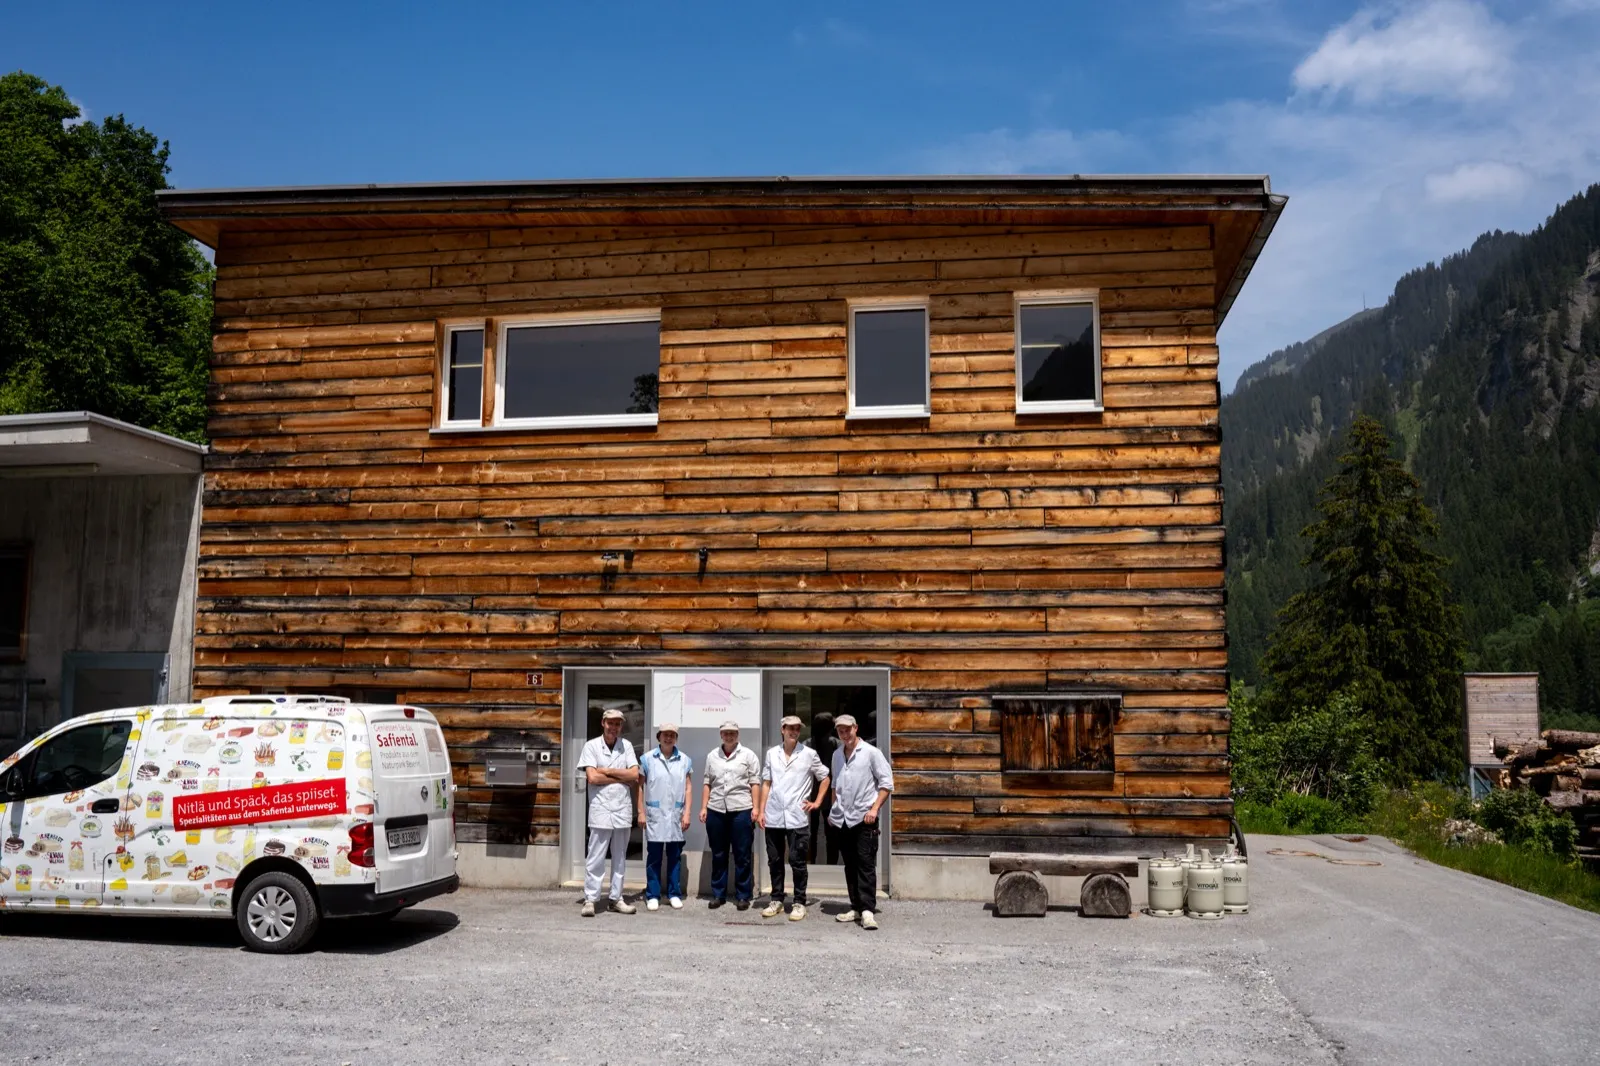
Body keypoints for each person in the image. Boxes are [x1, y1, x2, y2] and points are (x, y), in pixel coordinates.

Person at [757, 714, 829, 921]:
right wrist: (761, 811)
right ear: (782, 729)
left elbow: (824, 778)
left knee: (798, 861)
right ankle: (777, 899)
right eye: (790, 728)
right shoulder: (771, 754)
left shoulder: (809, 754)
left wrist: (817, 802)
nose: (794, 731)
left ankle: (799, 902)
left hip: (797, 816)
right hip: (774, 815)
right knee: (775, 860)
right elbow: (766, 783)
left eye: (797, 728)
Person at [828, 713, 893, 931]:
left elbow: (886, 784)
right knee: (850, 865)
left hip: (864, 818)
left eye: (848, 729)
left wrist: (874, 809)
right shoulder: (837, 755)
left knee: (865, 865)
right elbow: (835, 785)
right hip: (843, 819)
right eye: (840, 730)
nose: (844, 734)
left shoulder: (872, 753)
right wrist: (833, 811)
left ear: (856, 728)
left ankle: (867, 911)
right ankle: (855, 906)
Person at [575, 708, 640, 917]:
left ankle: (616, 898)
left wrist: (609, 771)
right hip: (601, 808)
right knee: (596, 855)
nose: (614, 727)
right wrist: (622, 778)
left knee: (620, 856)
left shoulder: (626, 745)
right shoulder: (591, 746)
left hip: (621, 808)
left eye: (618, 724)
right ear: (603, 723)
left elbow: (634, 774)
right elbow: (592, 778)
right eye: (610, 723)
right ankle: (591, 899)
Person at [699, 719, 760, 910]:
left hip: (741, 809)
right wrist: (703, 807)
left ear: (738, 734)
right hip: (716, 809)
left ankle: (743, 895)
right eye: (725, 733)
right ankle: (718, 894)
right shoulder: (712, 756)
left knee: (742, 854)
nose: (729, 735)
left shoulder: (748, 755)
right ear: (721, 735)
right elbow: (707, 782)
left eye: (732, 733)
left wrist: (756, 808)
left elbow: (755, 783)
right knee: (718, 853)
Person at [636, 721, 693, 912]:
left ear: (676, 738)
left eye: (672, 735)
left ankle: (674, 893)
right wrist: (641, 811)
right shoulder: (647, 759)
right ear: (658, 737)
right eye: (665, 734)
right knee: (654, 856)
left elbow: (688, 788)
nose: (668, 738)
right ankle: (652, 894)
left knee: (674, 856)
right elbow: (640, 787)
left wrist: (687, 813)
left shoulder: (685, 760)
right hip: (655, 814)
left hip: (676, 815)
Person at [809, 710, 840, 864]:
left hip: (811, 795)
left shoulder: (807, 744)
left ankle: (811, 864)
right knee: (831, 833)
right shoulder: (836, 744)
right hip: (830, 795)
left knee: (810, 833)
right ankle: (832, 865)